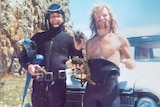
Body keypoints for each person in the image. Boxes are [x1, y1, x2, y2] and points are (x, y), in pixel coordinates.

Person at [19, 3, 83, 107]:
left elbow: (78, 62)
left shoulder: (69, 39)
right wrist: (28, 66)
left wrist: (78, 49)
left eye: (58, 16)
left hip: (58, 86)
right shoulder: (38, 37)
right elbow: (23, 56)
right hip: (39, 86)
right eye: (52, 16)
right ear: (48, 19)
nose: (55, 19)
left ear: (63, 18)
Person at [83, 3, 136, 107]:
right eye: (97, 15)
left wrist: (131, 63)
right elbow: (87, 68)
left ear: (110, 17)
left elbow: (132, 62)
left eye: (104, 15)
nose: (101, 18)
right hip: (91, 92)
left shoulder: (120, 39)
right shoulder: (89, 43)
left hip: (110, 92)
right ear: (94, 19)